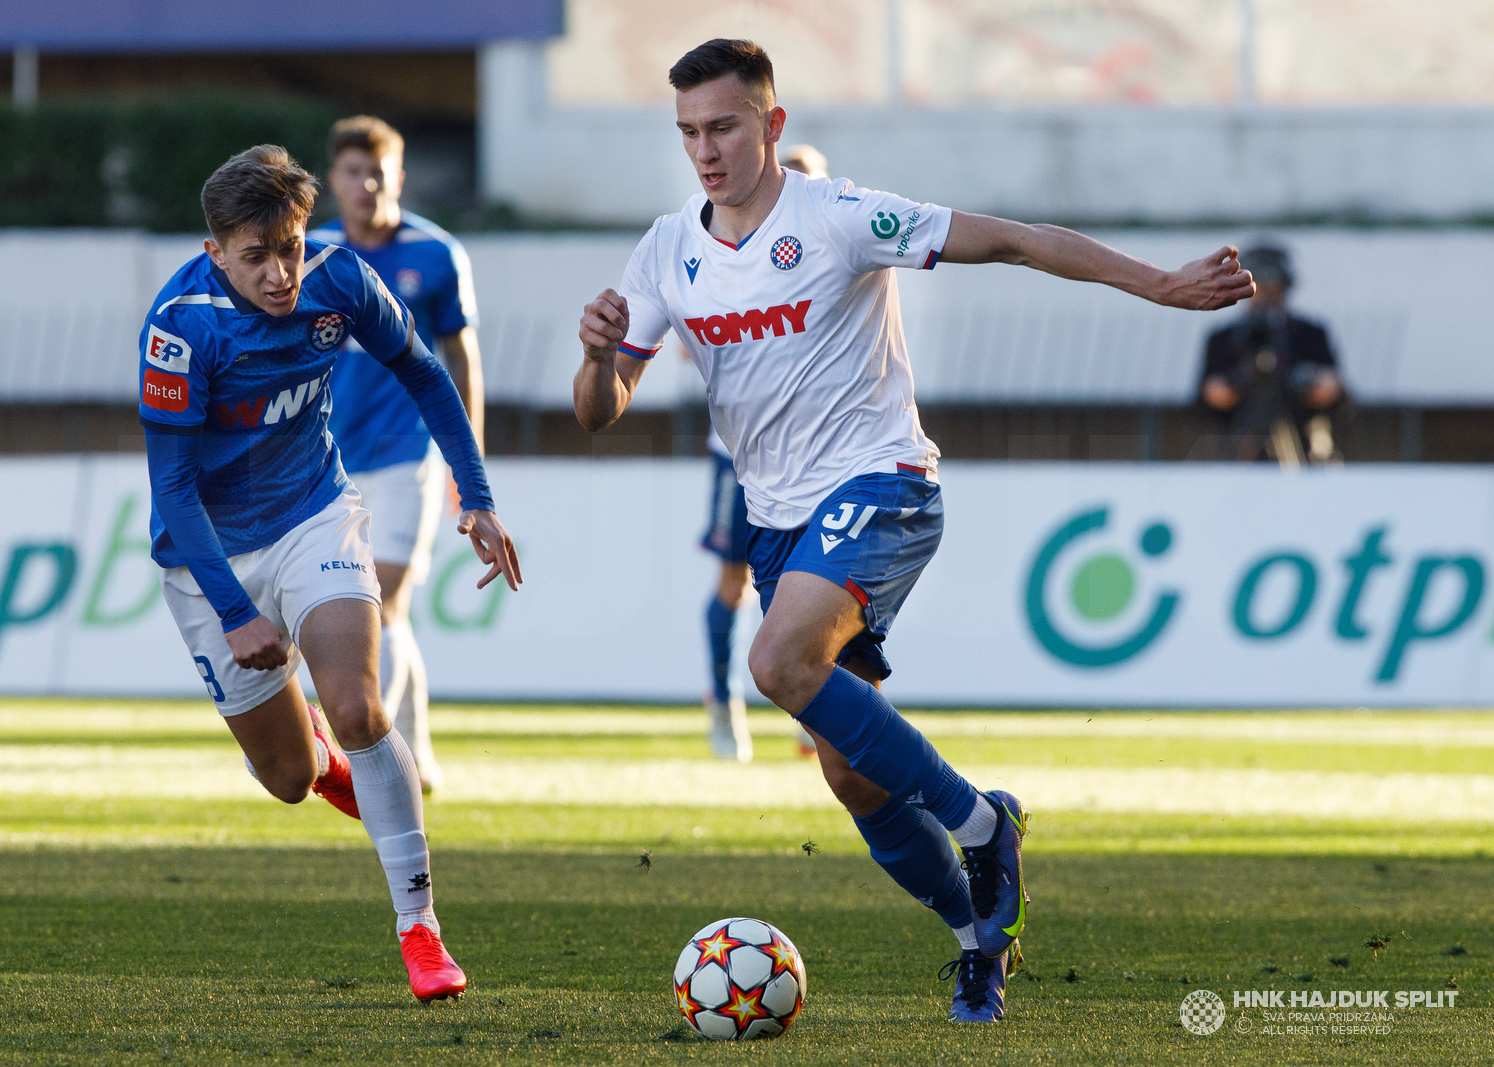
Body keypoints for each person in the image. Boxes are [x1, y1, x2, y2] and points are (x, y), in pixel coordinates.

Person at [573, 39, 1251, 1023]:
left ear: (772, 124)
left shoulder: (839, 215)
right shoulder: (666, 248)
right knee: (851, 774)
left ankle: (984, 824)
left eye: (722, 126)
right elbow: (600, 408)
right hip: (777, 525)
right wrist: (596, 357)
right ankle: (979, 939)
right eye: (686, 133)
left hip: (881, 485)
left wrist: (1158, 285)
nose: (704, 151)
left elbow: (1015, 238)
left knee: (773, 660)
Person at [142, 145, 521, 1004]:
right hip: (210, 556)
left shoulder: (341, 279)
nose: (281, 274)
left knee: (360, 705)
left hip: (316, 514)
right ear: (215, 253)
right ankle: (316, 750)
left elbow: (426, 374)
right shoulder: (181, 327)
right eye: (256, 256)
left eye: (291, 246)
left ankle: (420, 931)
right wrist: (237, 611)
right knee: (288, 779)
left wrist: (480, 496)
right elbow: (171, 489)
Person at [308, 116, 486, 794]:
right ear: (335, 181)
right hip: (326, 462)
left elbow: (461, 358)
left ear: (399, 178)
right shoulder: (310, 253)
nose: (367, 184)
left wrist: (471, 469)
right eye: (354, 172)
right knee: (371, 611)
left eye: (379, 171)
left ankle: (388, 756)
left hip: (408, 453)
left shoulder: (436, 255)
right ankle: (415, 749)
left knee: (382, 603)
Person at [699, 142, 830, 764]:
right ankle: (724, 702)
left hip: (830, 457)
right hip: (742, 459)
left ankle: (821, 709)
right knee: (736, 580)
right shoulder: (725, 255)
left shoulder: (841, 253)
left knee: (827, 583)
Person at [1199, 243, 1344, 464]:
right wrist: (1241, 379)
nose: (1265, 294)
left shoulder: (1309, 334)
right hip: (1239, 454)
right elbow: (1207, 400)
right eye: (1257, 286)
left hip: (1304, 452)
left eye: (1273, 286)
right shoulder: (1224, 339)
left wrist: (1303, 380)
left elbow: (1335, 395)